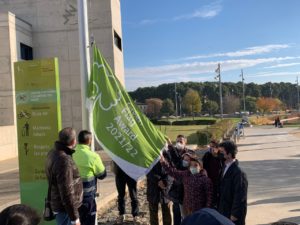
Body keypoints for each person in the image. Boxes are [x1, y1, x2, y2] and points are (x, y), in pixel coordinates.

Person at [46, 127, 83, 225]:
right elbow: (67, 191)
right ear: (74, 141)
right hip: (65, 210)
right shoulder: (64, 160)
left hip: (61, 207)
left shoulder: (53, 153)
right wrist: (74, 218)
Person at [73, 130, 107, 225]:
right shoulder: (93, 156)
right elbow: (102, 175)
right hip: (87, 199)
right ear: (89, 141)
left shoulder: (70, 154)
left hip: (73, 198)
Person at [165, 135, 193, 225]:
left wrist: (171, 146)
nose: (178, 143)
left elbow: (180, 164)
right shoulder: (172, 153)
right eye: (177, 141)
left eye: (181, 141)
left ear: (185, 142)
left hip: (188, 188)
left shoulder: (190, 153)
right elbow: (174, 164)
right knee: (176, 212)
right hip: (177, 188)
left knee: (188, 214)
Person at [217, 141, 248, 225]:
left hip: (233, 215)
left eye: (222, 152)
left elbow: (240, 196)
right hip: (223, 210)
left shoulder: (239, 173)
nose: (219, 154)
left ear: (229, 154)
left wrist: (234, 214)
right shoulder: (224, 167)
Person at [202, 140, 224, 208]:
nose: (211, 148)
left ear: (218, 148)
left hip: (219, 183)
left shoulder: (222, 156)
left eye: (213, 146)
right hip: (209, 181)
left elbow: (223, 166)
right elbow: (203, 166)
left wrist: (216, 156)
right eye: (210, 146)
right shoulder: (207, 155)